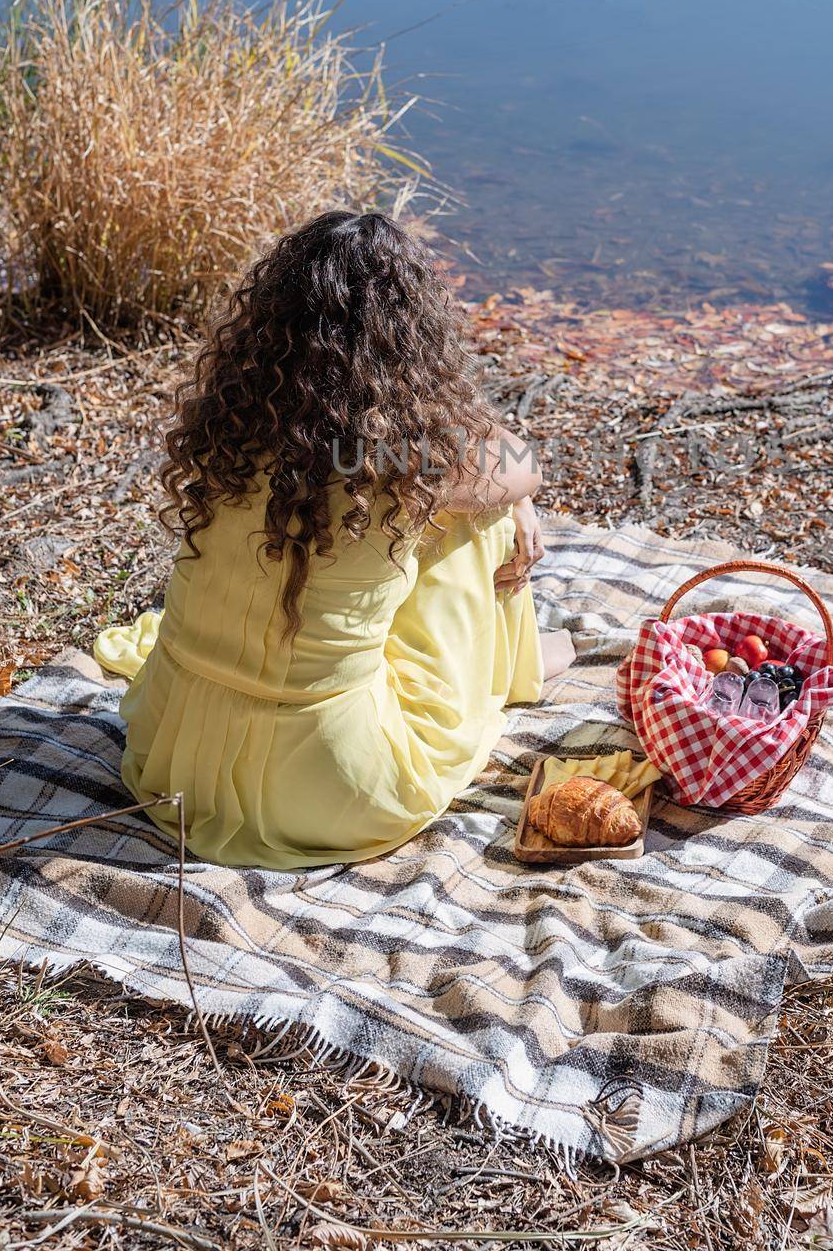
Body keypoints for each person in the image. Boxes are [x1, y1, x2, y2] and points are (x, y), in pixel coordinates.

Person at [95, 210, 574, 869]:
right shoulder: (399, 461)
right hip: (331, 786)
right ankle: (508, 666)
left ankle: (508, 659)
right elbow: (519, 461)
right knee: (472, 514)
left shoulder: (227, 427)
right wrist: (515, 503)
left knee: (429, 513)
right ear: (412, 337)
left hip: (170, 755)